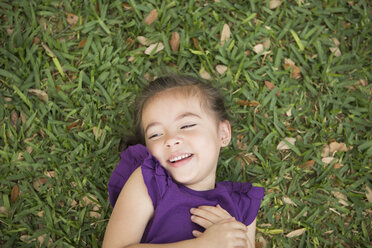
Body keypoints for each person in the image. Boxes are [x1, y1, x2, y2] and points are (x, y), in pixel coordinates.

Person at [102, 75, 264, 248]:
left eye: (186, 125)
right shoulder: (151, 182)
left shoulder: (242, 205)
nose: (170, 140)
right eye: (155, 134)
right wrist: (204, 244)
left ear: (223, 134)